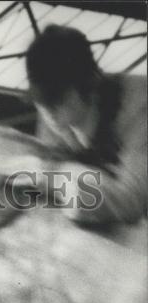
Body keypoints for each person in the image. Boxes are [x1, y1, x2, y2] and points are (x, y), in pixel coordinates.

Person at [25, 24, 147, 226]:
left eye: (58, 98)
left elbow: (132, 200)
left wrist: (54, 175)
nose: (48, 110)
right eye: (42, 100)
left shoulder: (139, 107)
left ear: (90, 84)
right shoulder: (52, 114)